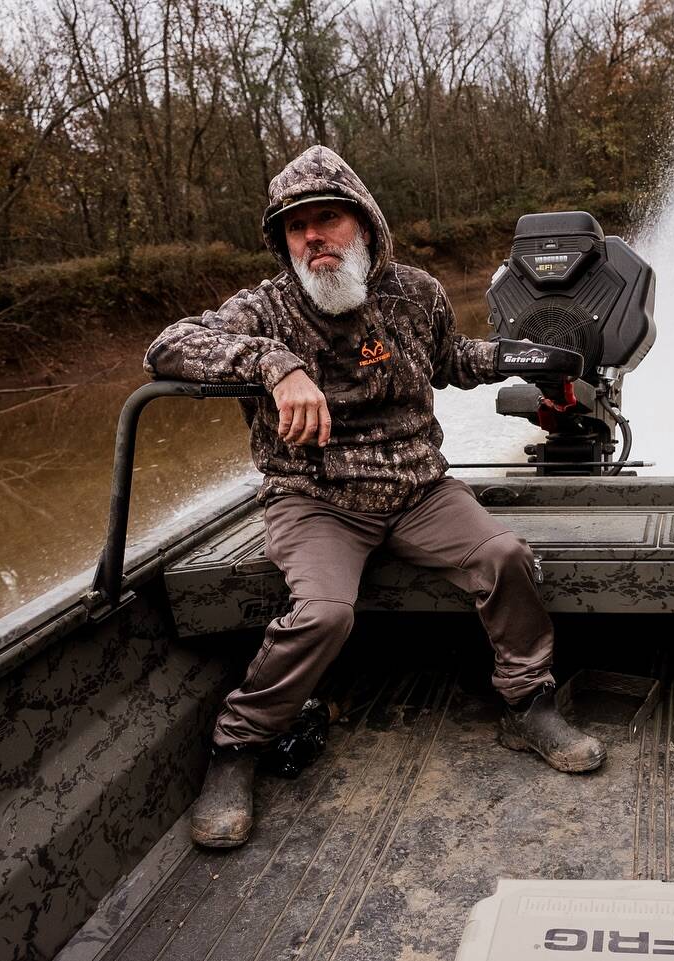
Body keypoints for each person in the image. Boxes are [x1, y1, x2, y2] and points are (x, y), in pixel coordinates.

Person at [143, 145, 606, 849]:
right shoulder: (265, 308)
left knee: (505, 556)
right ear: (282, 241)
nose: (313, 238)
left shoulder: (416, 292)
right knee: (325, 613)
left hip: (420, 490)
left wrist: (518, 357)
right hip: (314, 496)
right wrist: (274, 364)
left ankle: (529, 705)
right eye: (296, 227)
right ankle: (236, 747)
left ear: (363, 222)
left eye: (327, 219)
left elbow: (449, 360)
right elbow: (167, 347)